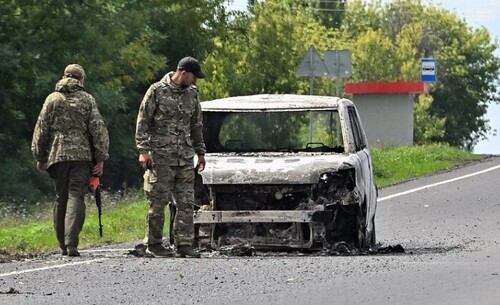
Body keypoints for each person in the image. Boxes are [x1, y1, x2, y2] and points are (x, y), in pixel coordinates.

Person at [31, 64, 109, 257]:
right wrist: (100, 158)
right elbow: (98, 130)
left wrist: (40, 156)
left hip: (57, 155)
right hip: (82, 156)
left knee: (61, 197)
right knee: (76, 195)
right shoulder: (87, 99)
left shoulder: (52, 99)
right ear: (81, 79)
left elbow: (41, 130)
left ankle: (62, 245)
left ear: (64, 76)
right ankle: (72, 243)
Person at [135, 56, 207, 258]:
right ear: (183, 72)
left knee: (186, 202)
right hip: (160, 157)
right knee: (158, 202)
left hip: (184, 157)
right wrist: (143, 150)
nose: (195, 81)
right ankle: (154, 243)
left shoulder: (192, 94)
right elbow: (143, 121)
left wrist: (201, 152)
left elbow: (196, 125)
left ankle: (184, 243)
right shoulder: (157, 91)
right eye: (193, 76)